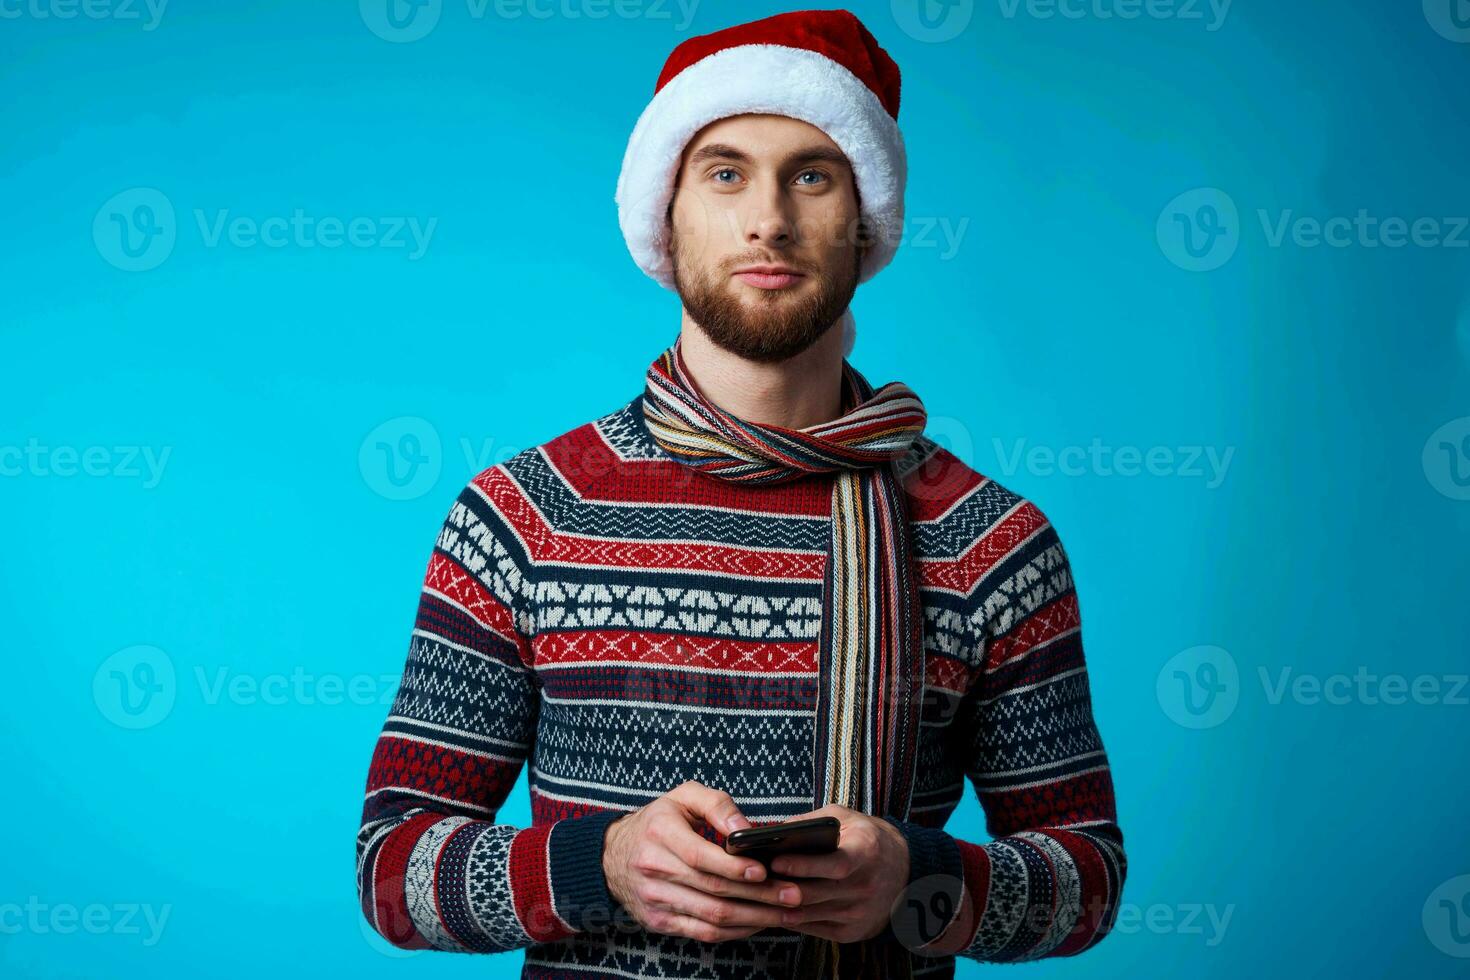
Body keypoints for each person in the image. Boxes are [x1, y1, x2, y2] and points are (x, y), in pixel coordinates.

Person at [356, 10, 1126, 979]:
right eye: (725, 173)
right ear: (665, 216)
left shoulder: (992, 540)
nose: (769, 218)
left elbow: (1088, 875)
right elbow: (392, 865)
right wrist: (601, 865)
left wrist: (915, 880)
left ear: (865, 219)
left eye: (812, 174)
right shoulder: (524, 513)